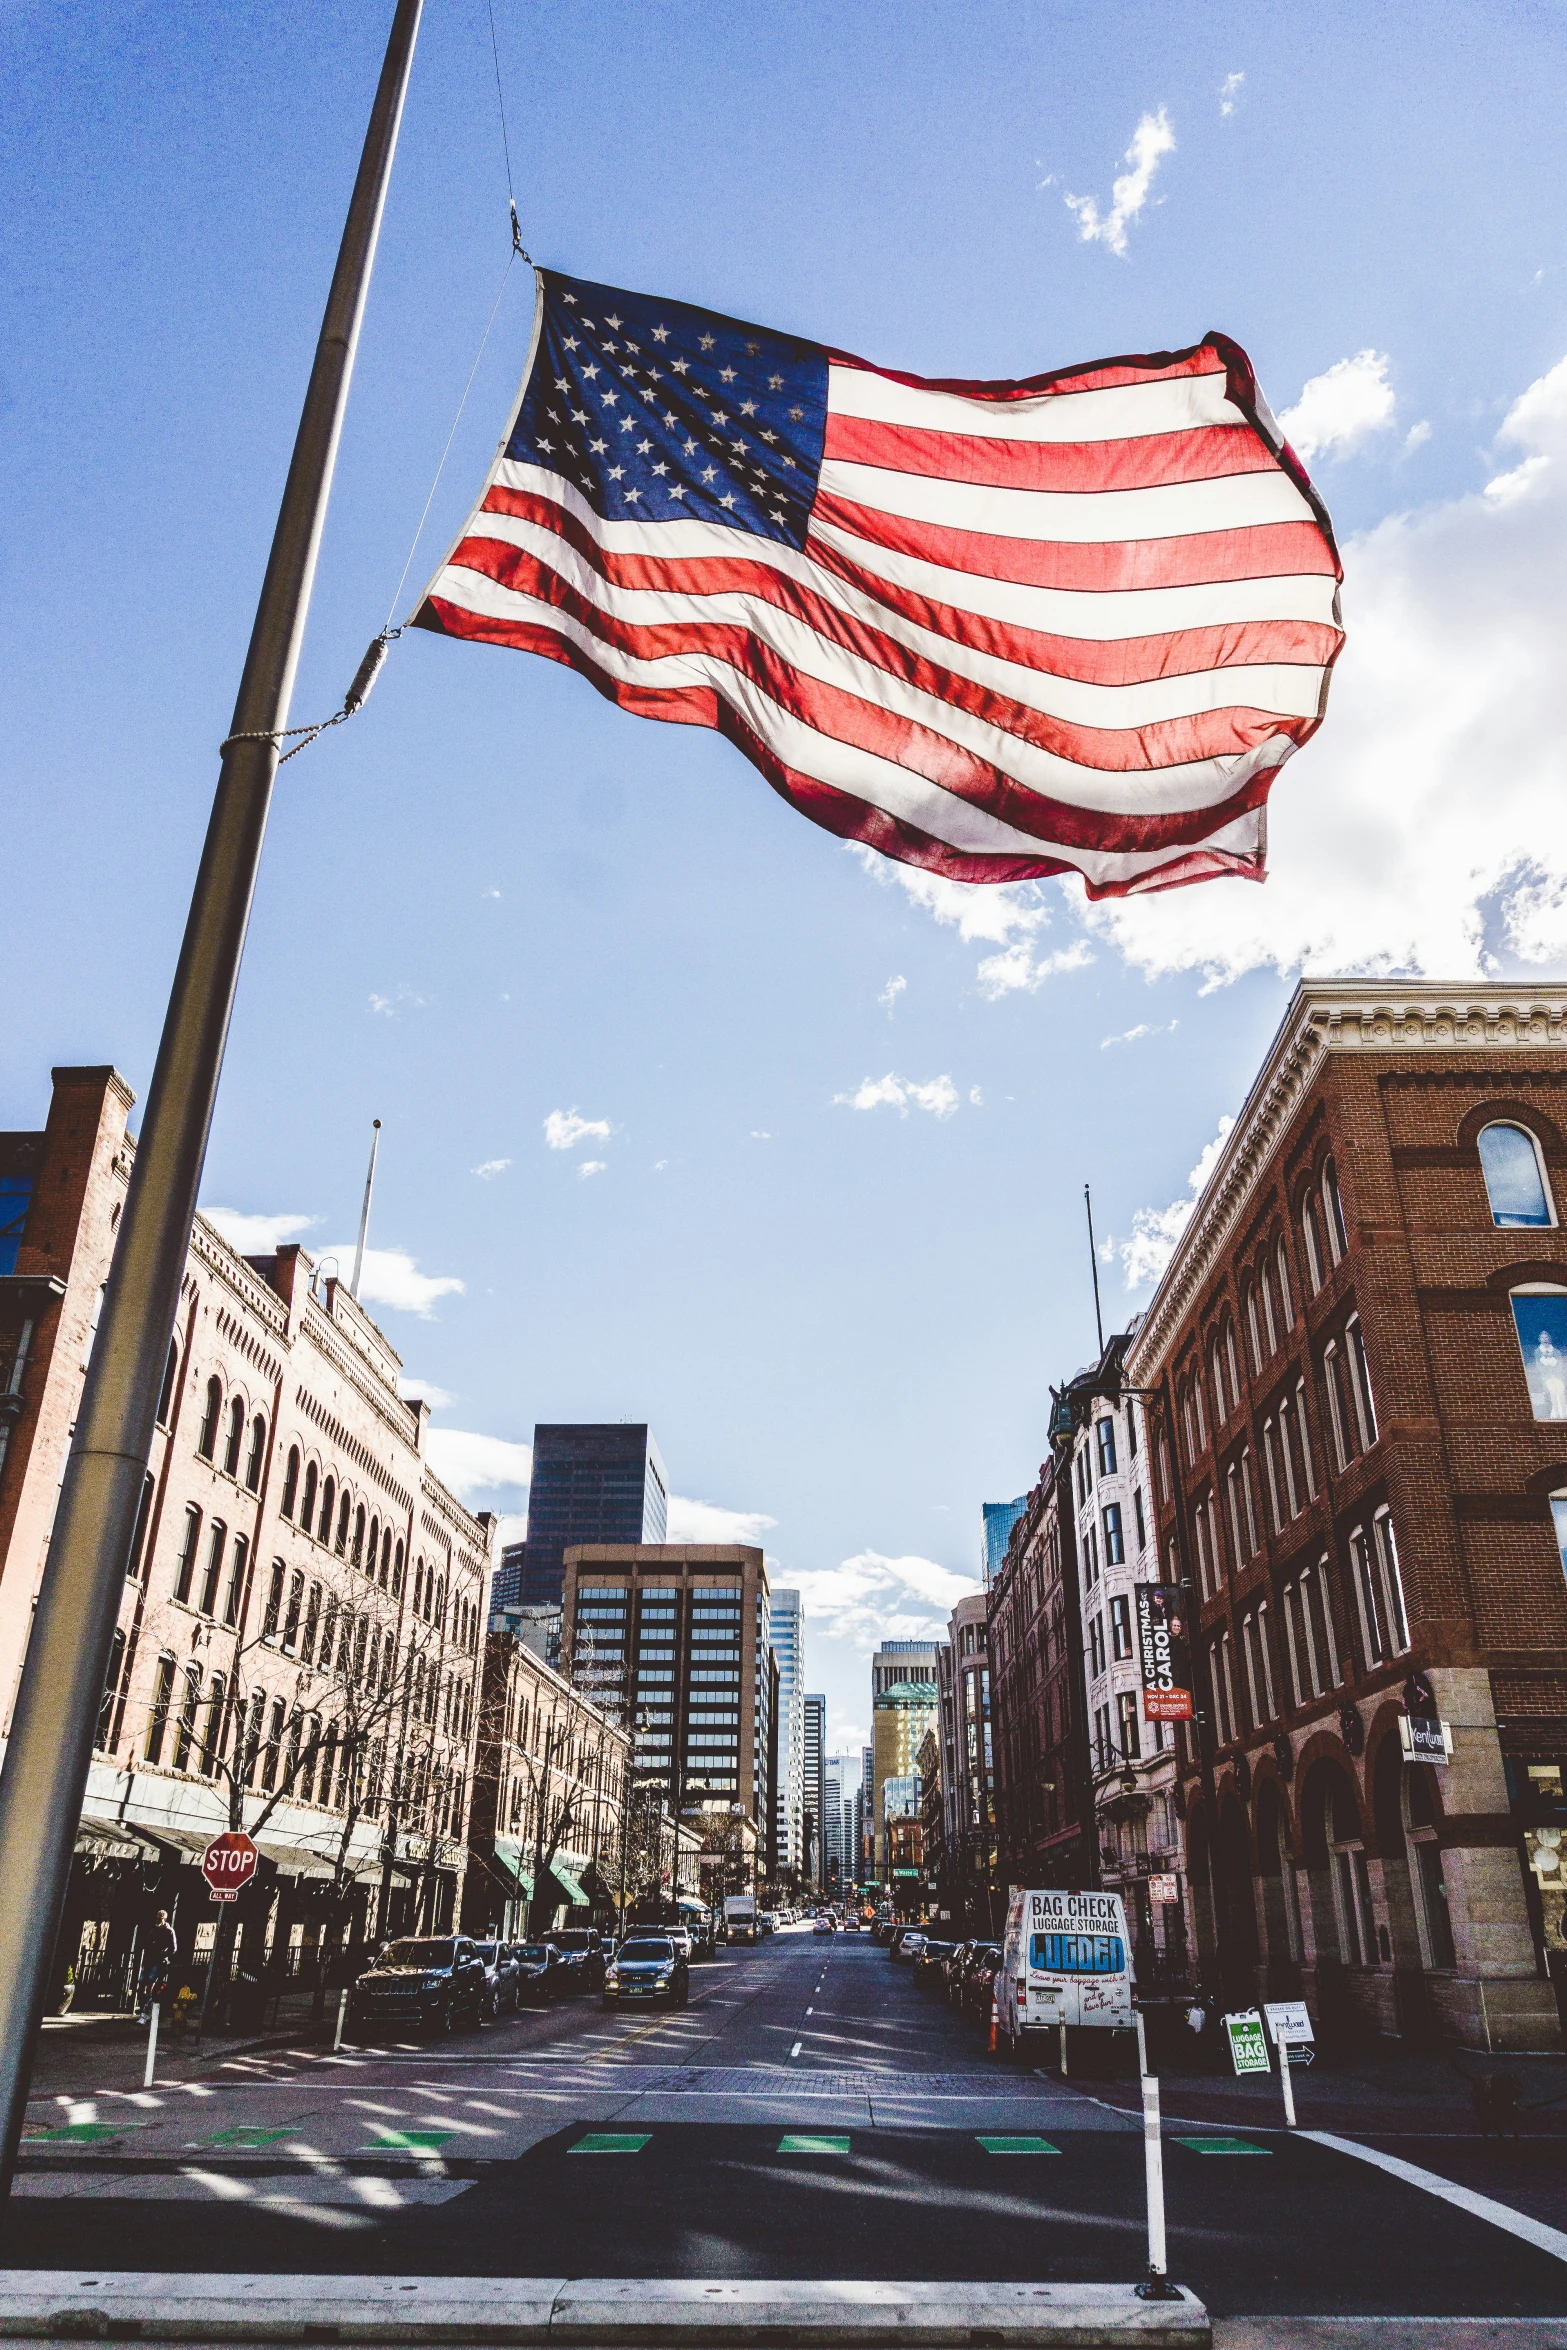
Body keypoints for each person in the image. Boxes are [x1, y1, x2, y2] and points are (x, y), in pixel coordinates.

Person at [137, 1910, 177, 2021]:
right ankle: (143, 2008)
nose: (158, 1920)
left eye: (160, 1918)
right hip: (148, 1960)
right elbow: (147, 1943)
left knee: (150, 1986)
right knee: (141, 1985)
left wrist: (163, 1954)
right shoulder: (152, 1930)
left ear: (165, 1919)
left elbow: (173, 1948)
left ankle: (145, 2013)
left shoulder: (169, 1931)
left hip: (158, 1962)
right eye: (157, 1918)